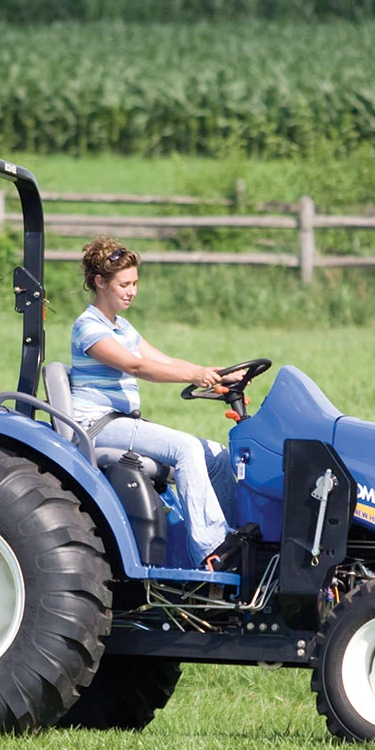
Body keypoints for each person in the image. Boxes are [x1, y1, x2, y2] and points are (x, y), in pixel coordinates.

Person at [68, 236, 242, 569]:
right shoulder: (88, 327)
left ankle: (237, 542)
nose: (132, 291)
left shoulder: (122, 327)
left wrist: (217, 375)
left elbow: (164, 360)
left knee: (217, 455)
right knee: (186, 449)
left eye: (135, 283)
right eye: (124, 284)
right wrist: (195, 374)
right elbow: (137, 366)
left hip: (123, 421)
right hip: (97, 425)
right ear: (100, 282)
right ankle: (212, 551)